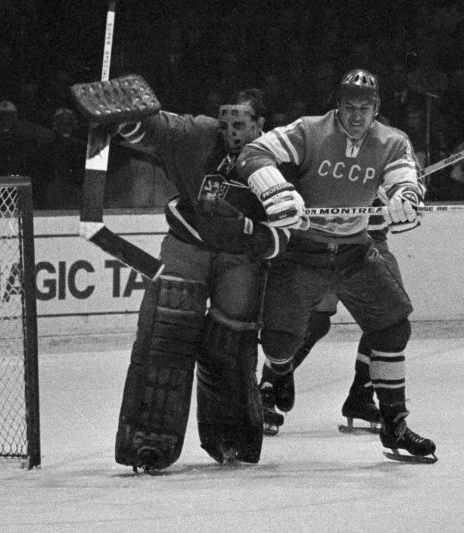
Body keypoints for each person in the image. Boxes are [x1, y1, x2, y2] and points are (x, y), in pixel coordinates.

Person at [237, 69, 437, 463]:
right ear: (338, 105)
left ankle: (394, 423)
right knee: (278, 340)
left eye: (365, 108)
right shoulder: (309, 131)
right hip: (303, 253)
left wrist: (405, 198)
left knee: (393, 327)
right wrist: (275, 189)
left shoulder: (392, 141)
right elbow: (252, 153)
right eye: (350, 107)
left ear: (376, 108)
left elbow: (406, 181)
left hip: (355, 252)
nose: (357, 116)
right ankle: (277, 372)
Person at [97, 82, 298, 472]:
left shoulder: (279, 157)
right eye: (226, 122)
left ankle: (232, 438)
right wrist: (124, 115)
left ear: (261, 124)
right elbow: (151, 129)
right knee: (166, 333)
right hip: (187, 245)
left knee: (232, 348)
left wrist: (250, 233)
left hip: (240, 260)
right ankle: (149, 438)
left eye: (241, 123)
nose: (231, 132)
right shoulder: (198, 134)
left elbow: (284, 235)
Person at [260, 207, 395, 436]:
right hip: (328, 237)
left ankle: (361, 394)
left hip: (369, 236)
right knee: (316, 321)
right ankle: (269, 384)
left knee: (387, 320)